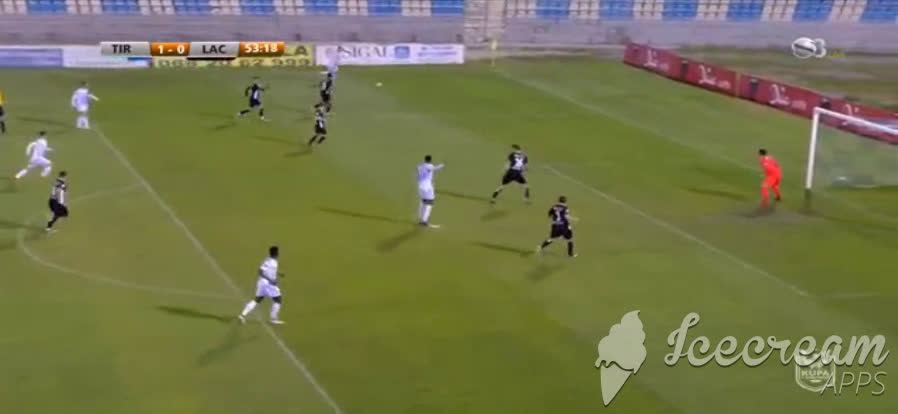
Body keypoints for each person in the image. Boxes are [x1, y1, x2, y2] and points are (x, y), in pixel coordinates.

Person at [238, 246, 286, 325]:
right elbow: (260, 271)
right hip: (268, 284)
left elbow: (270, 270)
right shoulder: (272, 262)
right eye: (278, 252)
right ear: (276, 253)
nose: (278, 253)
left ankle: (242, 315)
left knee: (257, 300)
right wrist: (270, 280)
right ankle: (273, 319)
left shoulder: (268, 260)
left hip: (261, 283)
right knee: (278, 299)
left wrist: (279, 273)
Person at [417, 155, 444, 228]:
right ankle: (424, 221)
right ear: (430, 160)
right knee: (429, 203)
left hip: (420, 186)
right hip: (427, 187)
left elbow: (418, 176)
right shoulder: (429, 166)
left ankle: (420, 218)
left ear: (425, 159)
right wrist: (442, 165)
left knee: (423, 201)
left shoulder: (419, 167)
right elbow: (435, 168)